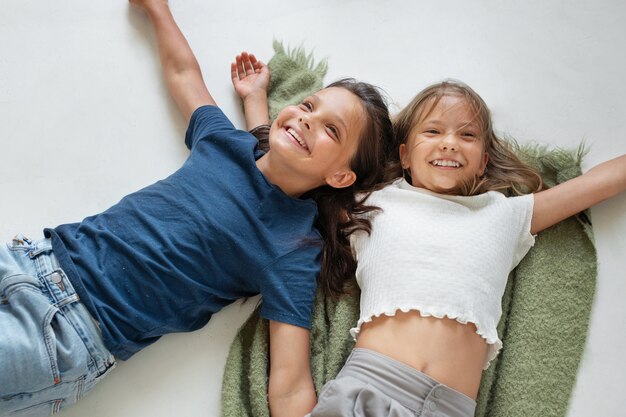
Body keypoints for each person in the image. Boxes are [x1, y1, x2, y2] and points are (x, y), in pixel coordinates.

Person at [0, 1, 394, 416]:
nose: (307, 119)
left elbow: (291, 383)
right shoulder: (225, 142)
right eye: (309, 105)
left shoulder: (292, 247)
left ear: (341, 177)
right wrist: (157, 10)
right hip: (30, 260)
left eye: (332, 129)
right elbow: (184, 74)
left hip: (72, 332)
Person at [243, 79, 626, 417]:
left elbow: (597, 184)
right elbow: (284, 170)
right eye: (433, 130)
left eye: (468, 135)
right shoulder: (371, 205)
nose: (449, 142)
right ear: (405, 155)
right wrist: (255, 101)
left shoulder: (505, 215)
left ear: (483, 163)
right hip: (369, 390)